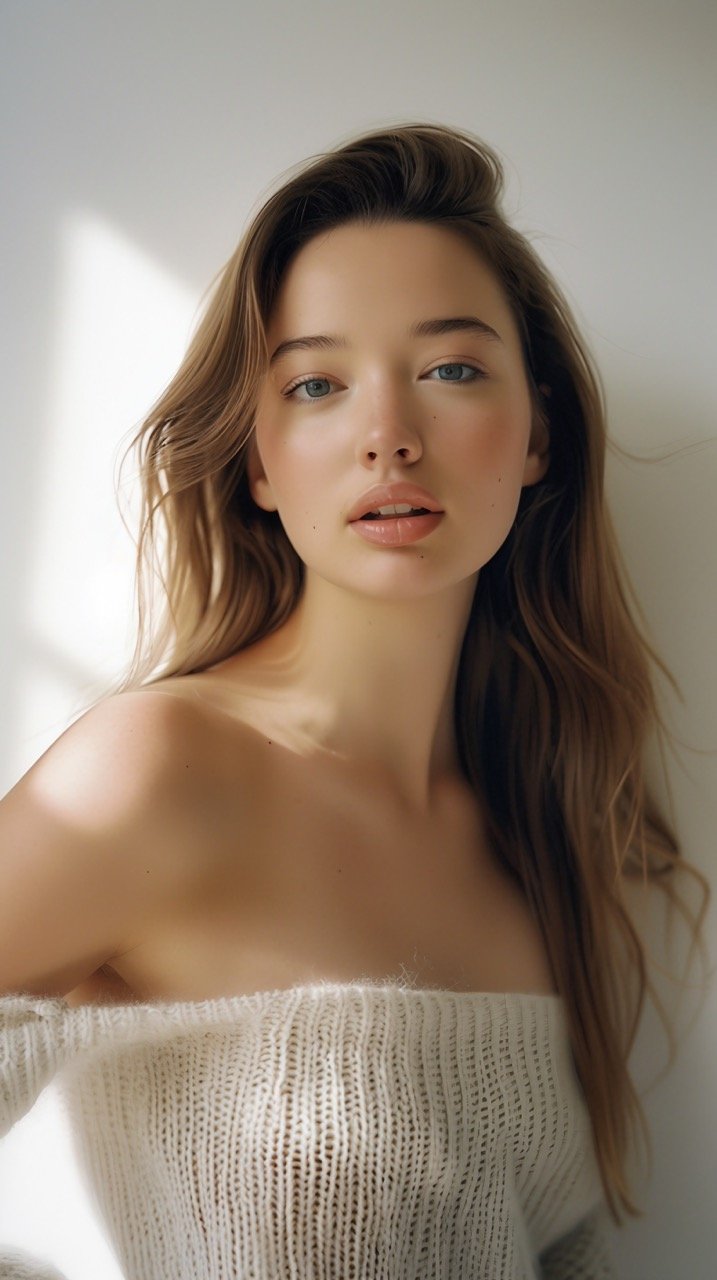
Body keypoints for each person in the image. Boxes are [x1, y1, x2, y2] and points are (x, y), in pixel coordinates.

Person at [0, 121, 710, 1280]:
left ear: (538, 433)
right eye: (319, 383)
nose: (390, 435)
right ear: (261, 462)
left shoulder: (533, 833)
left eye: (451, 369)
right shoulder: (159, 769)